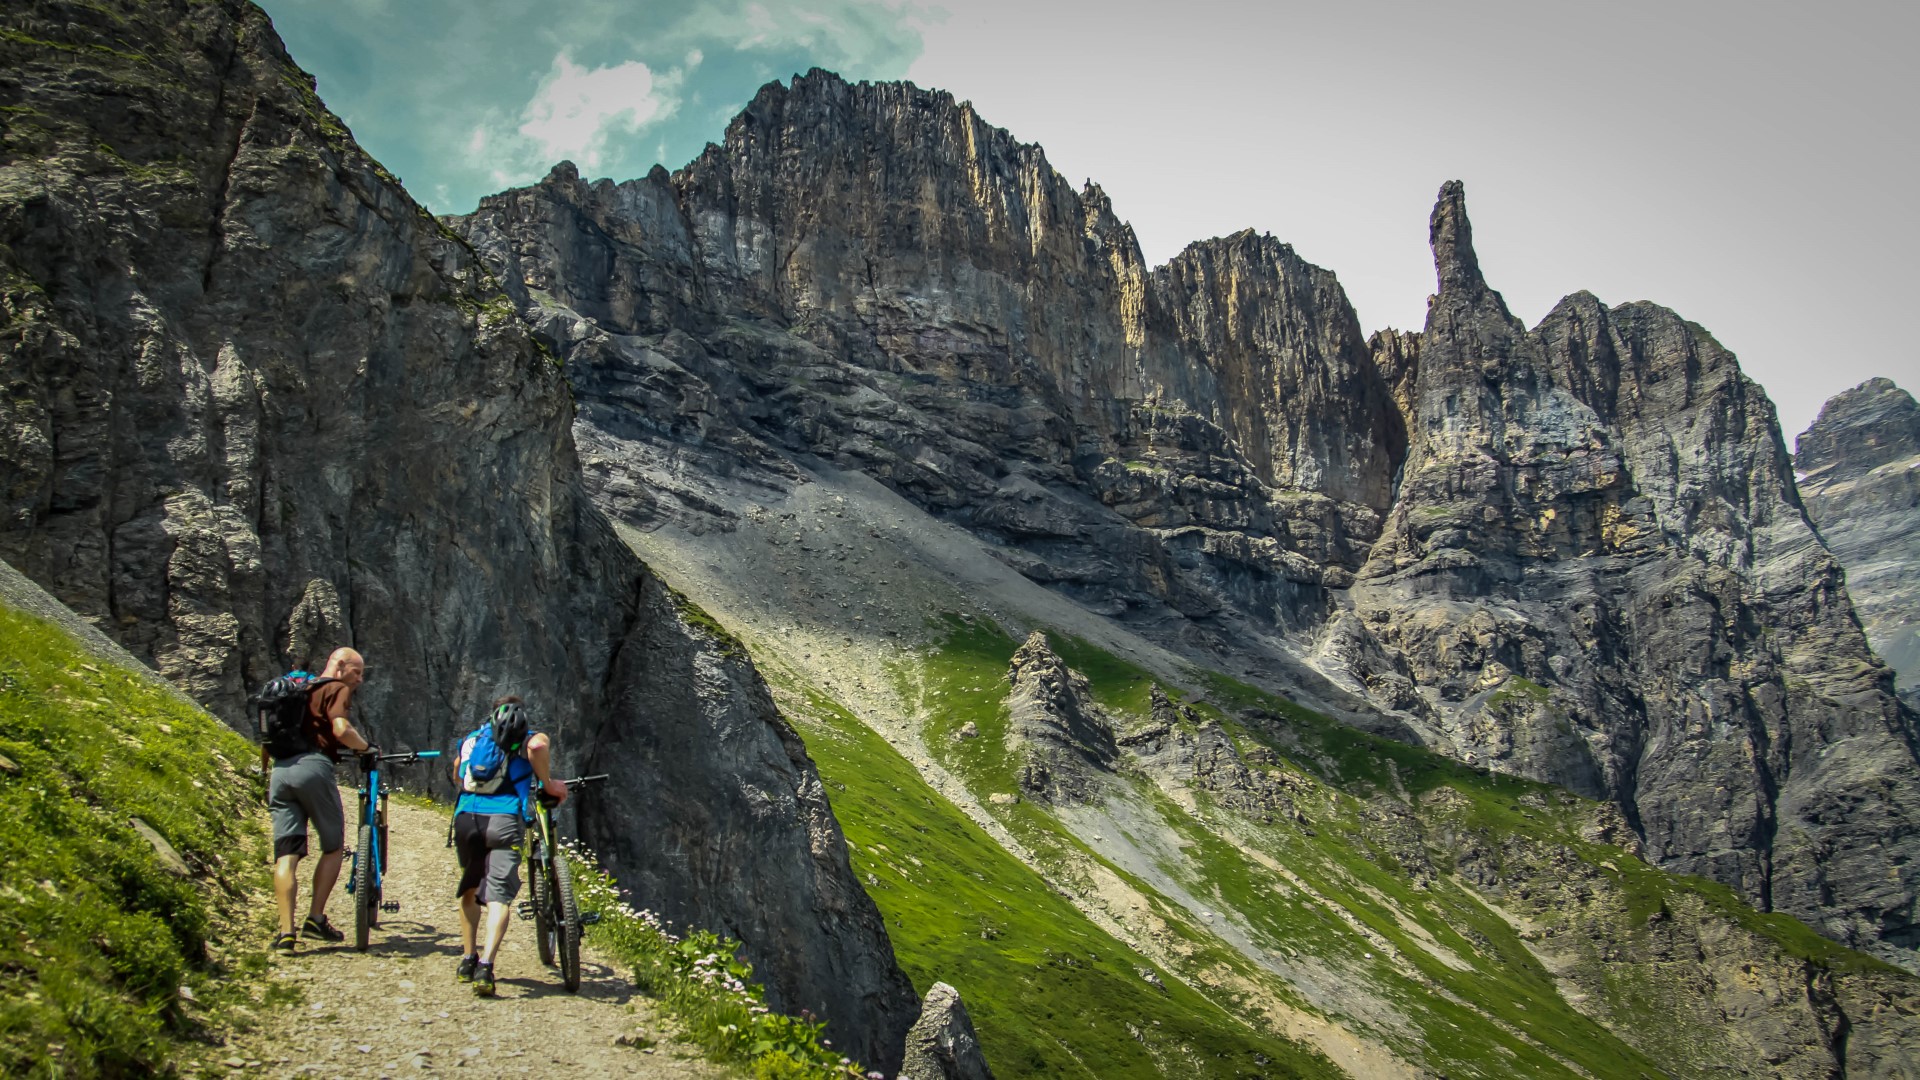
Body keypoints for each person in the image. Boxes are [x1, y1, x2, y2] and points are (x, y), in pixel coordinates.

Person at [451, 697, 566, 996]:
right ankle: (486, 966)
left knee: (471, 888)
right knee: (498, 897)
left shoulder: (472, 740)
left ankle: (467, 959)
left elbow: (456, 774)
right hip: (503, 821)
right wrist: (548, 782)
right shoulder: (525, 739)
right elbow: (538, 747)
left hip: (466, 820)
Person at [269, 647, 373, 951]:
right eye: (357, 671)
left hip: (280, 773)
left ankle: (286, 932)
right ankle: (315, 917)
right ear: (339, 666)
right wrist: (364, 747)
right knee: (333, 846)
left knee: (286, 854)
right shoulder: (334, 688)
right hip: (313, 768)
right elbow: (341, 728)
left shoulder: (295, 690)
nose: (360, 679)